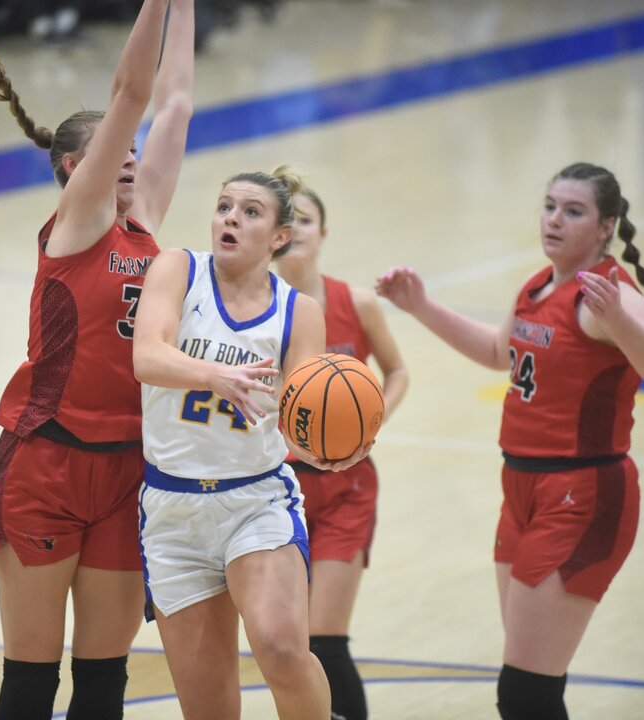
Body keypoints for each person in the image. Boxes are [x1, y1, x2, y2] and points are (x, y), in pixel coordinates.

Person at [0, 0, 194, 718]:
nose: (137, 170)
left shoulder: (145, 229)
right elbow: (134, 95)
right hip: (46, 463)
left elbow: (174, 102)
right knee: (31, 682)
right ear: (81, 168)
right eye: (123, 159)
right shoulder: (78, 227)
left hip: (124, 471)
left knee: (105, 681)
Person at [376, 162, 644, 719]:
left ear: (605, 226)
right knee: (532, 686)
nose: (555, 219)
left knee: (523, 694)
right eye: (550, 205)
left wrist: (624, 321)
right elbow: (497, 353)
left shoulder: (607, 296)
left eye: (574, 211)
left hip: (581, 494)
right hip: (521, 489)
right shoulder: (538, 285)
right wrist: (419, 307)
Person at [132, 165, 372, 720]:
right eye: (223, 207)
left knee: (283, 650)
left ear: (279, 236)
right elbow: (146, 356)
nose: (230, 219)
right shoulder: (178, 269)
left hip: (255, 501)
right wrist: (214, 375)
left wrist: (327, 450)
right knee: (209, 707)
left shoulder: (298, 312)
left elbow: (298, 419)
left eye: (249, 211)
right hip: (173, 512)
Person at [273, 185, 409, 720]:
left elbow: (397, 371)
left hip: (348, 486)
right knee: (289, 643)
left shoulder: (357, 302)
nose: (298, 230)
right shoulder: (260, 309)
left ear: (323, 233)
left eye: (307, 220)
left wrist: (368, 425)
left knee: (326, 639)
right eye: (290, 220)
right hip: (280, 488)